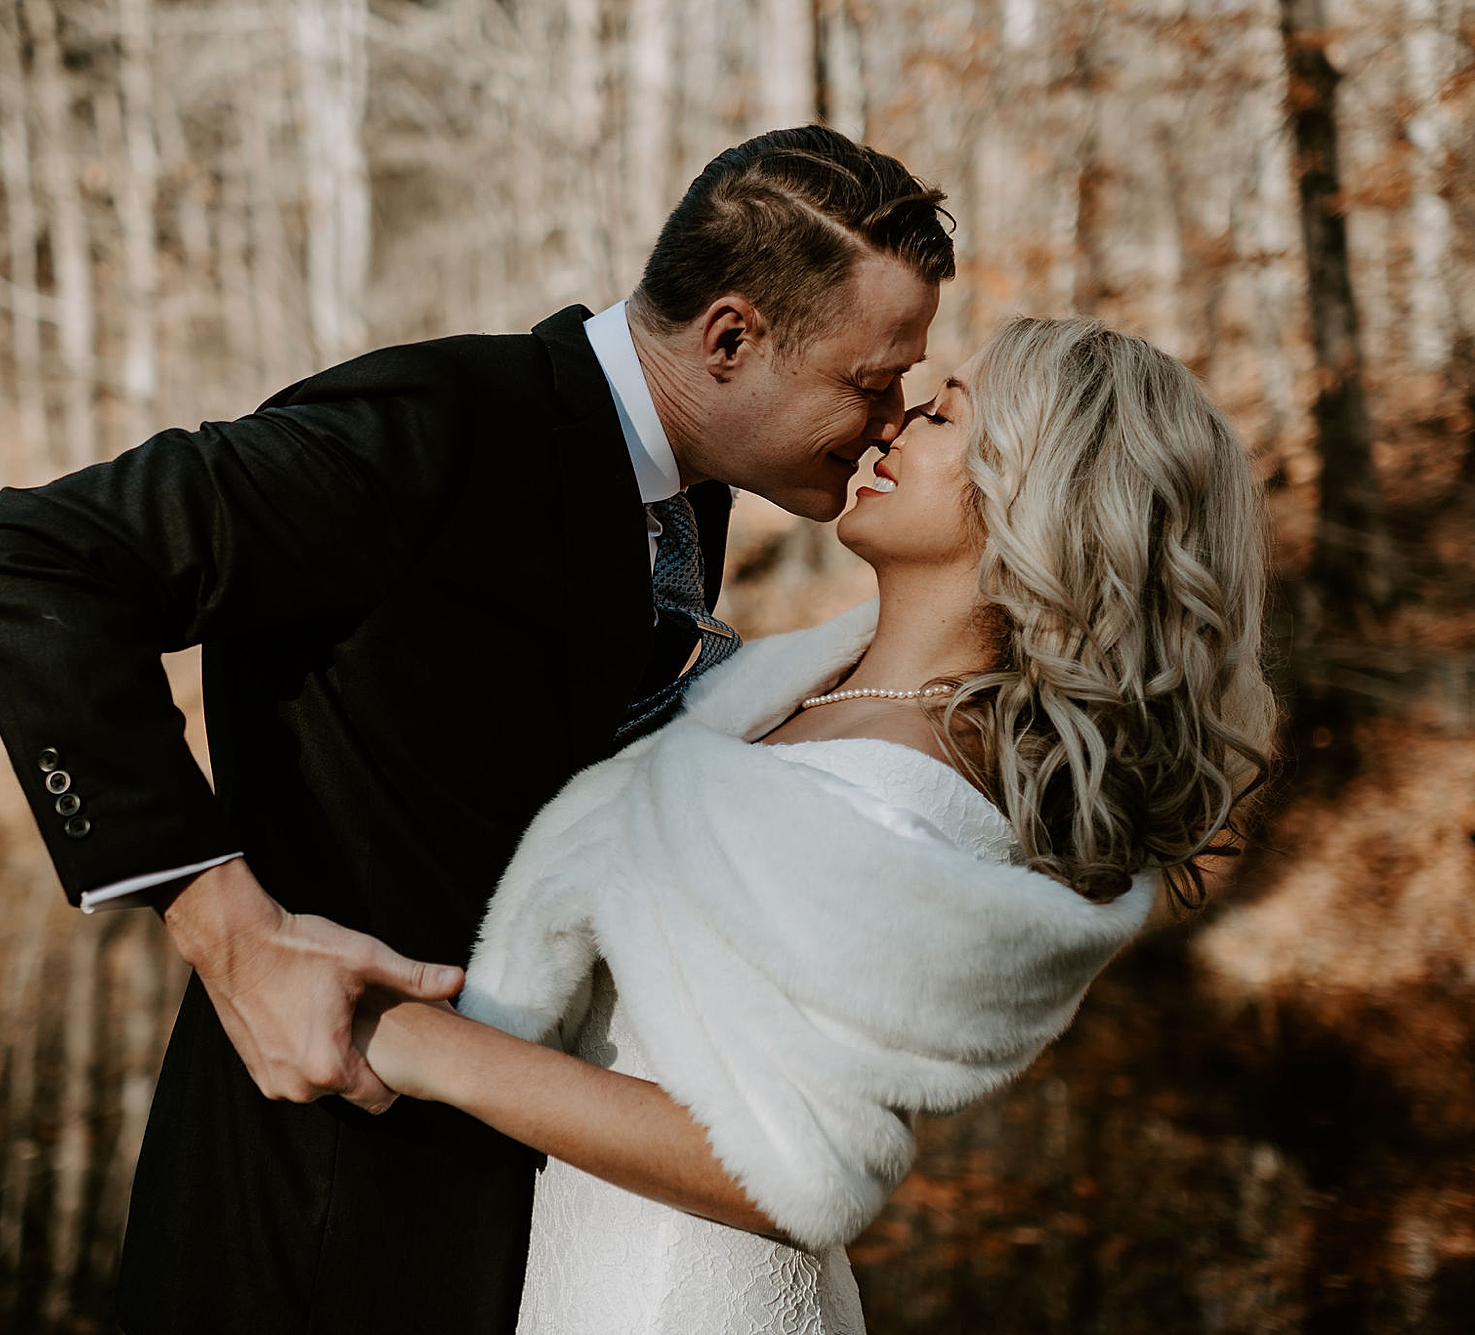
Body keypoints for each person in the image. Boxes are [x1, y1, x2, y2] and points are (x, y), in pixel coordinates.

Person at [0, 124, 955, 1333]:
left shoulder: (680, 490)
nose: (889, 418)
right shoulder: (431, 427)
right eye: (868, 380)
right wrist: (221, 924)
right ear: (730, 338)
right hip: (319, 1193)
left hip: (526, 1199)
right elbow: (33, 559)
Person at [352, 316, 1280, 1333]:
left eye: (942, 414)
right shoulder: (808, 691)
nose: (892, 426)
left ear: (1036, 495)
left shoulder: (908, 789)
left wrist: (418, 1046)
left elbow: (779, 1171)